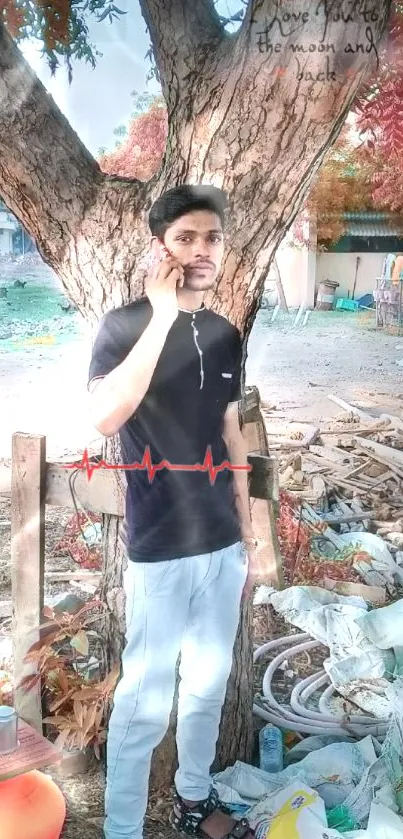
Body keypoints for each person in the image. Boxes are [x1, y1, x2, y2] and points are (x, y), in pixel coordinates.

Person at [87, 184, 257, 839]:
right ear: (161, 246)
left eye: (210, 237)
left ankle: (192, 799)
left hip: (220, 543)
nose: (200, 249)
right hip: (158, 545)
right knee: (142, 701)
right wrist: (160, 316)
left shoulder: (222, 334)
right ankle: (122, 829)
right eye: (185, 237)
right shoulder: (125, 325)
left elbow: (229, 430)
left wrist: (249, 538)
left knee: (207, 684)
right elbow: (105, 414)